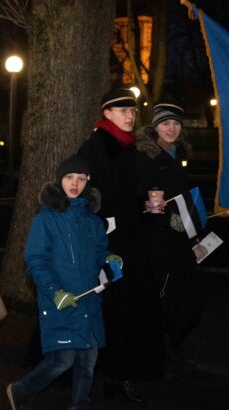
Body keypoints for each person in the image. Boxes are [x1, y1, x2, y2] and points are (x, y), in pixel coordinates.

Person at [6, 155, 120, 410]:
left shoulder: (92, 221)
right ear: (60, 180)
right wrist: (54, 291)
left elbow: (99, 250)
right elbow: (35, 260)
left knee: (88, 360)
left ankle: (80, 405)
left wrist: (109, 258)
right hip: (60, 300)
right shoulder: (46, 219)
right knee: (62, 359)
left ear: (87, 182)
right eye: (70, 178)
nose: (75, 183)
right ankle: (21, 390)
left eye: (81, 179)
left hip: (88, 300)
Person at [77, 88, 149, 403]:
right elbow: (79, 193)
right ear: (107, 114)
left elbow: (131, 193)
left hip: (130, 241)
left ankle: (117, 374)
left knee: (125, 310)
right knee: (104, 308)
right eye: (123, 111)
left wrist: (146, 204)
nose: (130, 116)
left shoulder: (130, 148)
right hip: (104, 244)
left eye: (132, 111)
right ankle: (93, 374)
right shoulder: (94, 148)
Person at [135, 98, 203, 372]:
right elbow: (143, 199)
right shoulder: (147, 157)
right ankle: (164, 351)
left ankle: (171, 346)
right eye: (165, 123)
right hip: (158, 241)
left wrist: (193, 223)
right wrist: (167, 218)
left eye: (176, 123)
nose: (171, 128)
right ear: (155, 126)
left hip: (179, 238)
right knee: (166, 298)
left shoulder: (177, 154)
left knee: (189, 297)